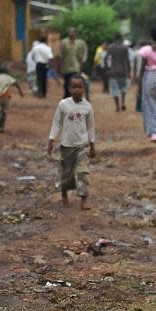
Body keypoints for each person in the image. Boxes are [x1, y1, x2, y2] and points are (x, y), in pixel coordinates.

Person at [48, 75, 96, 210]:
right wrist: (51, 139)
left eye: (80, 87)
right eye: (74, 87)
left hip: (82, 145)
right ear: (69, 89)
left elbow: (91, 127)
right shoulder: (63, 104)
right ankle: (64, 194)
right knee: (66, 173)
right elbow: (57, 122)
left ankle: (84, 199)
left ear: (84, 89)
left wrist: (92, 145)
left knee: (83, 172)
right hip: (66, 145)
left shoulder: (87, 107)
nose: (77, 90)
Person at [0, 67, 24, 133]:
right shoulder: (8, 77)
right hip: (6, 97)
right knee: (4, 111)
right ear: (6, 72)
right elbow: (16, 83)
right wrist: (20, 92)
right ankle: (2, 127)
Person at [105, 33, 131, 112]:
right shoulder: (124, 47)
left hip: (113, 71)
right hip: (123, 71)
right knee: (123, 88)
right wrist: (129, 71)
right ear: (121, 38)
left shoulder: (111, 47)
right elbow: (127, 60)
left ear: (114, 38)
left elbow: (106, 58)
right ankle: (123, 103)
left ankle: (117, 106)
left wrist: (107, 69)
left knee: (114, 89)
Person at [60, 27, 88, 98]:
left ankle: (75, 97)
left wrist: (83, 60)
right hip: (66, 68)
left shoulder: (80, 43)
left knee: (75, 82)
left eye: (73, 32)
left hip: (76, 67)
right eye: (70, 32)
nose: (71, 34)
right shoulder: (64, 42)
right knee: (66, 84)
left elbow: (84, 52)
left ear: (76, 33)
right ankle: (66, 97)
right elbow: (61, 55)